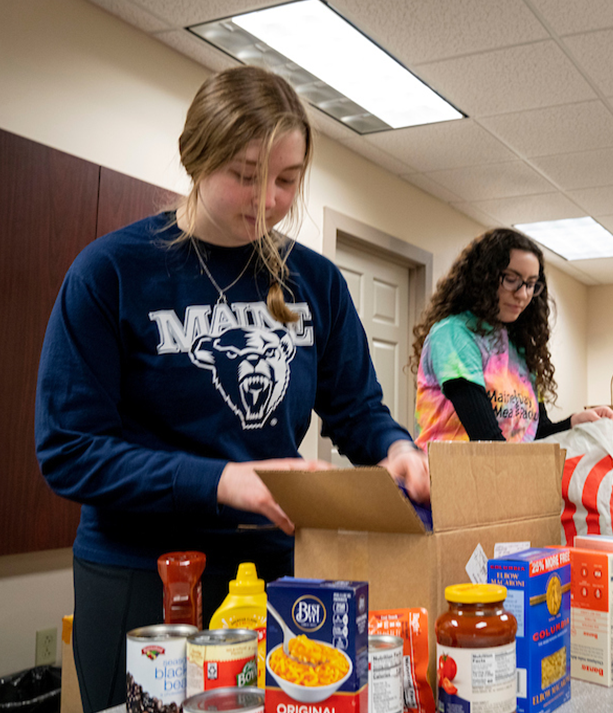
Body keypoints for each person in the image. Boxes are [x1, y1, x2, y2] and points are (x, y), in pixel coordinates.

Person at [35, 66, 429, 713]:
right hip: (145, 573)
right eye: (246, 175)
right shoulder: (111, 272)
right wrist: (223, 480)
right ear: (196, 157)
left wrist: (396, 449)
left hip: (276, 568)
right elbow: (69, 449)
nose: (269, 199)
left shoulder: (316, 281)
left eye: (287, 179)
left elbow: (357, 409)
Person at [411, 228, 613, 448]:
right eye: (511, 279)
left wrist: (574, 422)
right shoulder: (454, 334)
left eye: (530, 284)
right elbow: (486, 438)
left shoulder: (521, 347)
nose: (523, 294)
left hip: (504, 475)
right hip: (450, 477)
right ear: (483, 278)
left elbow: (534, 433)